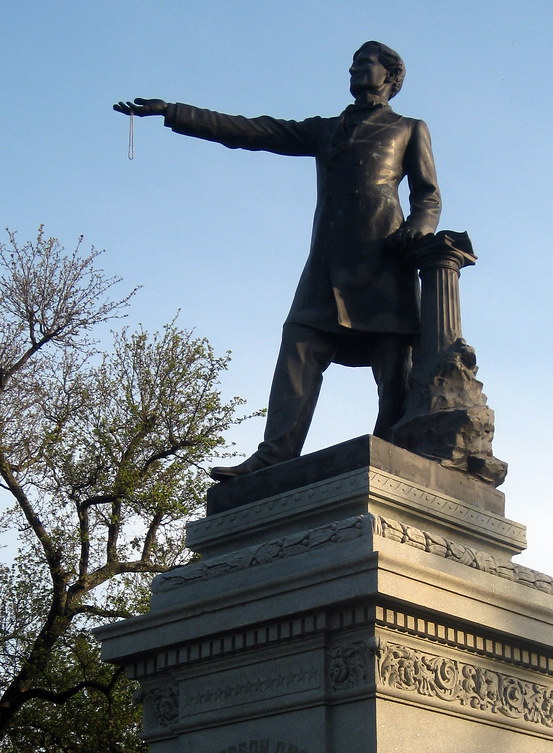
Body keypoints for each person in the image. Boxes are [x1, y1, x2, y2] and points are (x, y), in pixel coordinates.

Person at [114, 41, 441, 478]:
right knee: (299, 346)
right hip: (327, 266)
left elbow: (428, 194)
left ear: (391, 76)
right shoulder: (326, 130)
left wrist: (420, 225)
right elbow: (253, 131)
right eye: (352, 64)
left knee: (392, 366)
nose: (356, 70)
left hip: (383, 262)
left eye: (366, 63)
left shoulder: (409, 128)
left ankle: (393, 451)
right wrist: (173, 111)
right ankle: (275, 454)